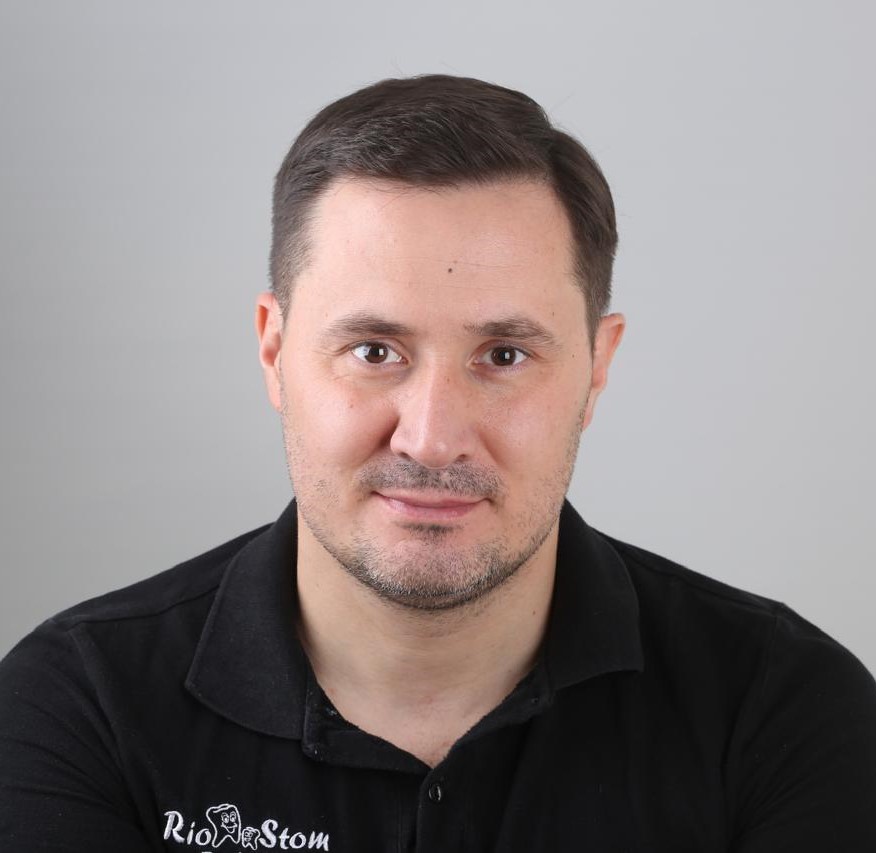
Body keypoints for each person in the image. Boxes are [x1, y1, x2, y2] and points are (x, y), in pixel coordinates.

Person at [1, 74, 874, 852]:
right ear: (274, 351)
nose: (430, 437)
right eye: (374, 350)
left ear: (596, 367)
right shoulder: (77, 709)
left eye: (503, 356)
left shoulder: (784, 711)